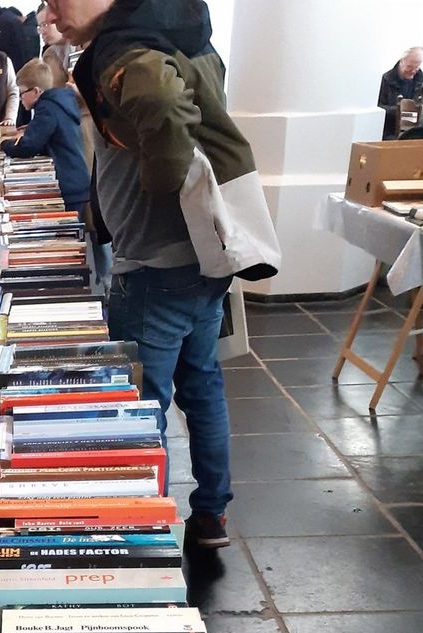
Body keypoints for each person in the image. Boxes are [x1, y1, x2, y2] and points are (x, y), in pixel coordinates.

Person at [49, 0, 279, 550]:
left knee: (139, 406)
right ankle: (210, 515)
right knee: (202, 386)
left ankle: (139, 533)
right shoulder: (177, 30)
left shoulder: (126, 48)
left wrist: (160, 185)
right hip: (203, 257)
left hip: (153, 266)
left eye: (58, 1)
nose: (54, 15)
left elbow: (163, 105)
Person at [0, 59, 89, 211]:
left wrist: (4, 144)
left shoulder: (47, 108)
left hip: (68, 184)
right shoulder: (58, 102)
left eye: (22, 93)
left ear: (35, 91)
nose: (20, 99)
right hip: (76, 179)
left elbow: (29, 146)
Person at [379, 47, 423, 140]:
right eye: (409, 67)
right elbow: (379, 108)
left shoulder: (421, 81)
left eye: (417, 67)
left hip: (416, 134)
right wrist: (402, 111)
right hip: (390, 134)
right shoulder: (386, 80)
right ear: (401, 62)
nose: (413, 71)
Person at [37, 1, 73, 84]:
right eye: (40, 26)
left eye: (45, 24)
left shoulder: (81, 45)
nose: (42, 31)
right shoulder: (48, 55)